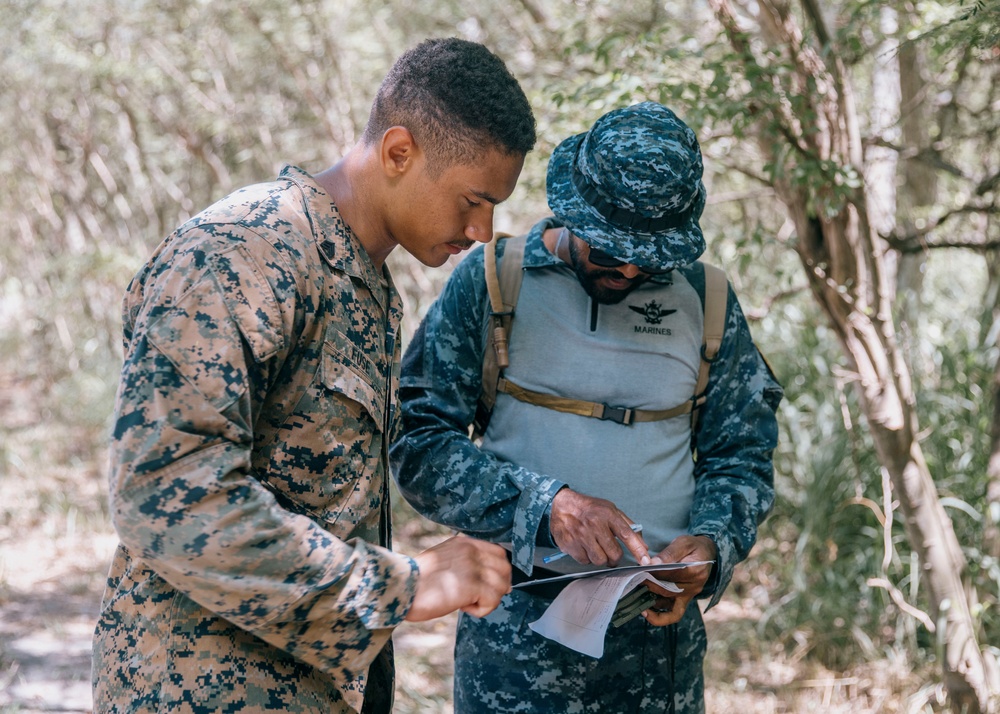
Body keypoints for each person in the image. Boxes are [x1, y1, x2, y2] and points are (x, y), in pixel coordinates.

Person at [91, 37, 536, 714]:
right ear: (397, 153)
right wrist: (403, 586)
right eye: (474, 200)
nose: (483, 230)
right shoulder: (245, 249)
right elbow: (168, 492)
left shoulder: (364, 282)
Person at [390, 101, 782, 713]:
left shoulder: (706, 301)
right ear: (575, 209)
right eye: (608, 248)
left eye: (647, 254)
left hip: (657, 647)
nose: (626, 266)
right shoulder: (494, 282)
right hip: (511, 639)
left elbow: (742, 454)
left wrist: (713, 542)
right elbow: (417, 443)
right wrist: (547, 507)